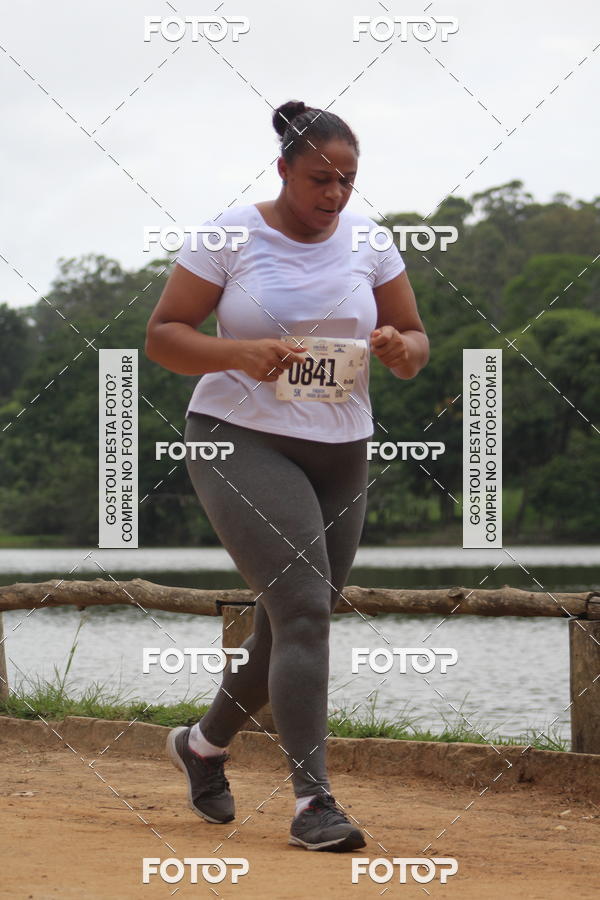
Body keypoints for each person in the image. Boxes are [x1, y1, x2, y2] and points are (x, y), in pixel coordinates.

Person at [145, 99, 429, 852]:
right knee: (304, 610)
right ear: (283, 171)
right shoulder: (229, 235)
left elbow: (417, 341)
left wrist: (401, 348)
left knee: (294, 617)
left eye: (347, 180)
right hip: (238, 437)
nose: (333, 196)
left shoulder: (372, 242)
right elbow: (164, 337)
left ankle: (202, 746)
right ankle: (313, 805)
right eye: (318, 180)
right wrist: (237, 353)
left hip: (342, 446)